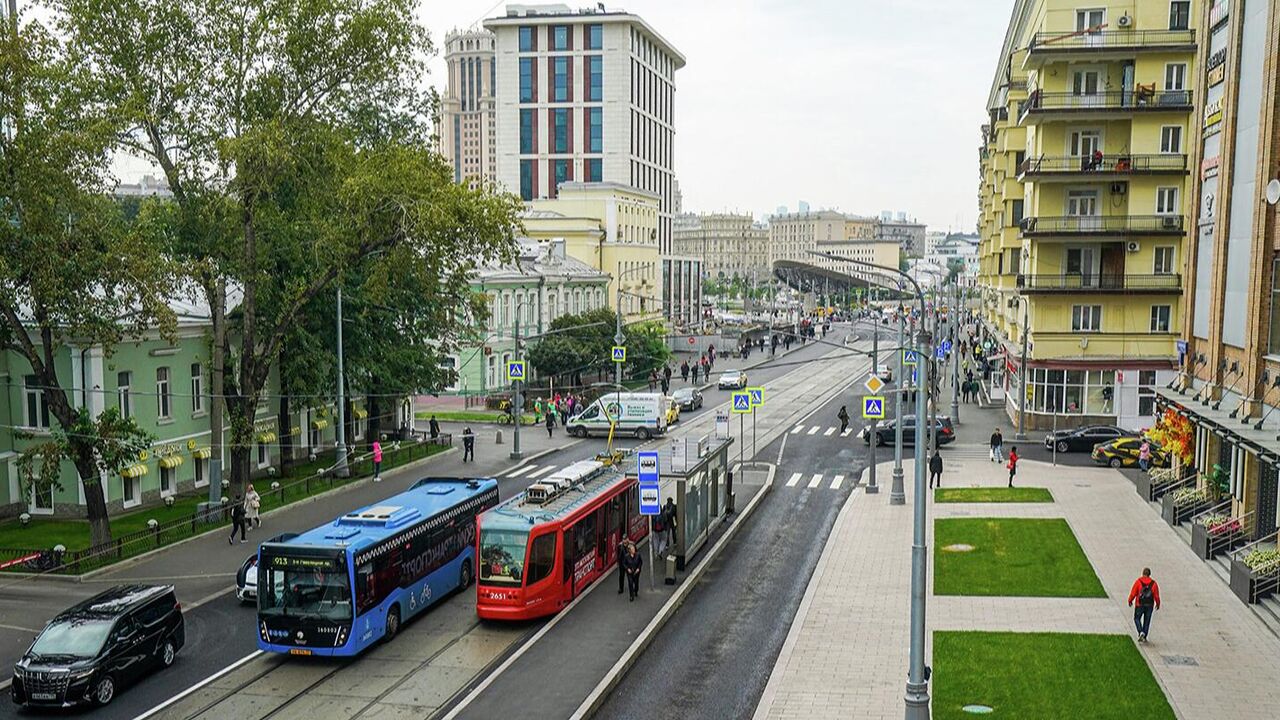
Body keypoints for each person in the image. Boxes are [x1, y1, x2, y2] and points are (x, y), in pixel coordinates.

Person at [1127, 568, 1161, 642]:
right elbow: (1156, 596)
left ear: (1143, 573)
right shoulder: (1154, 583)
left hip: (1140, 604)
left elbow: (1133, 593)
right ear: (1149, 574)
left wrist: (1130, 600)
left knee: (1137, 618)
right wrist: (1158, 604)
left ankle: (1140, 631)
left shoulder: (1138, 581)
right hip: (1149, 605)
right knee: (1147, 620)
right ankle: (1144, 636)